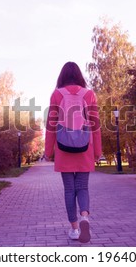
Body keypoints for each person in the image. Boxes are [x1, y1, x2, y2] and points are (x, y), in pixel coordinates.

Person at [44, 61, 102, 243]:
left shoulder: (56, 94)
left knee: (69, 190)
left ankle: (75, 230)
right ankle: (85, 216)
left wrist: (48, 151)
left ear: (62, 76)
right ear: (79, 76)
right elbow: (96, 125)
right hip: (85, 147)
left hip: (63, 147)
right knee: (82, 187)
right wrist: (97, 152)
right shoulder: (89, 94)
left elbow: (51, 125)